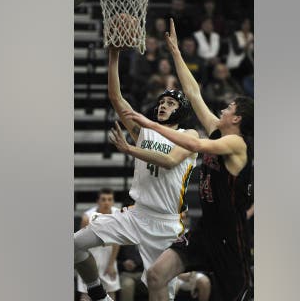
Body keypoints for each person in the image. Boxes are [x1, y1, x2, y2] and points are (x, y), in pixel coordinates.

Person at [121, 19, 254, 301]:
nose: (222, 107)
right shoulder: (220, 130)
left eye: (229, 107)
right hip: (205, 230)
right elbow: (194, 94)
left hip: (232, 239)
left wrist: (151, 124)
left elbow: (194, 143)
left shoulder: (236, 143)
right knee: (156, 276)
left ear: (238, 118)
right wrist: (176, 52)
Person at [73, 44, 199, 301]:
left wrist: (130, 149)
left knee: (158, 288)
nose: (163, 105)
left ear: (182, 110)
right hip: (136, 214)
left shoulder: (189, 136)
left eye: (171, 103)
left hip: (166, 224)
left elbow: (169, 161)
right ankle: (98, 294)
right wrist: (114, 54)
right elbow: (116, 97)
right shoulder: (145, 131)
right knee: (74, 244)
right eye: (162, 102)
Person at [77, 189, 122, 301]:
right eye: (103, 199)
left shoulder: (118, 214)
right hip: (90, 257)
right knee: (86, 293)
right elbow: (80, 244)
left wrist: (111, 264)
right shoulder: (87, 217)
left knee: (111, 292)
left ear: (113, 201)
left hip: (109, 258)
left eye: (109, 199)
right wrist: (84, 265)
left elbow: (117, 242)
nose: (106, 202)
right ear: (98, 201)